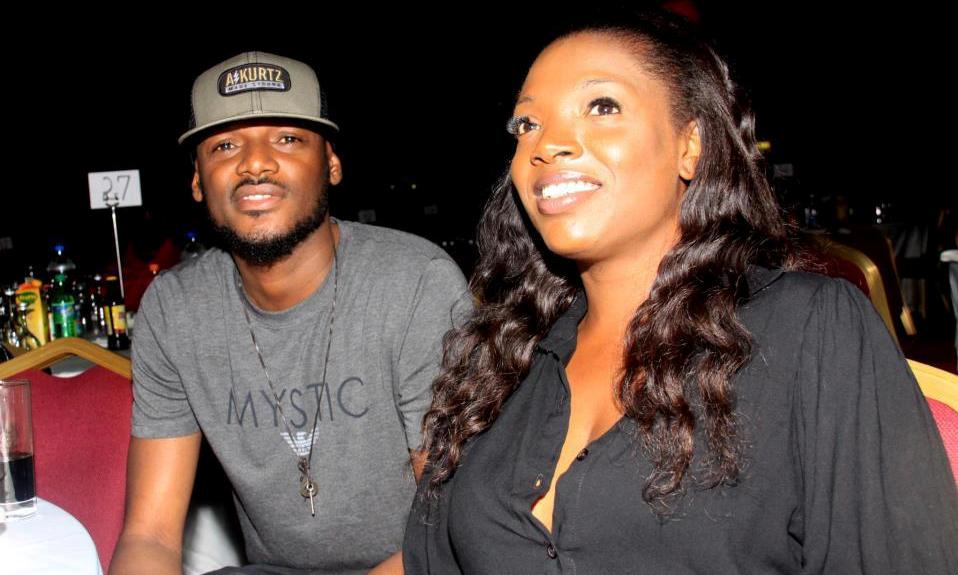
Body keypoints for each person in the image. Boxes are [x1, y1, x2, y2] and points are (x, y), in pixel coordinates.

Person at [404, 12, 958, 574]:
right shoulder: (499, 362)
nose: (547, 145)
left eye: (602, 107)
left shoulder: (810, 331)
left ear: (690, 146)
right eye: (526, 124)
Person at [111, 51, 470, 575]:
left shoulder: (415, 284)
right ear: (197, 181)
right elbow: (150, 536)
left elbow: (451, 532)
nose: (255, 163)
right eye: (225, 145)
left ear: (332, 164)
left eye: (286, 138)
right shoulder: (175, 311)